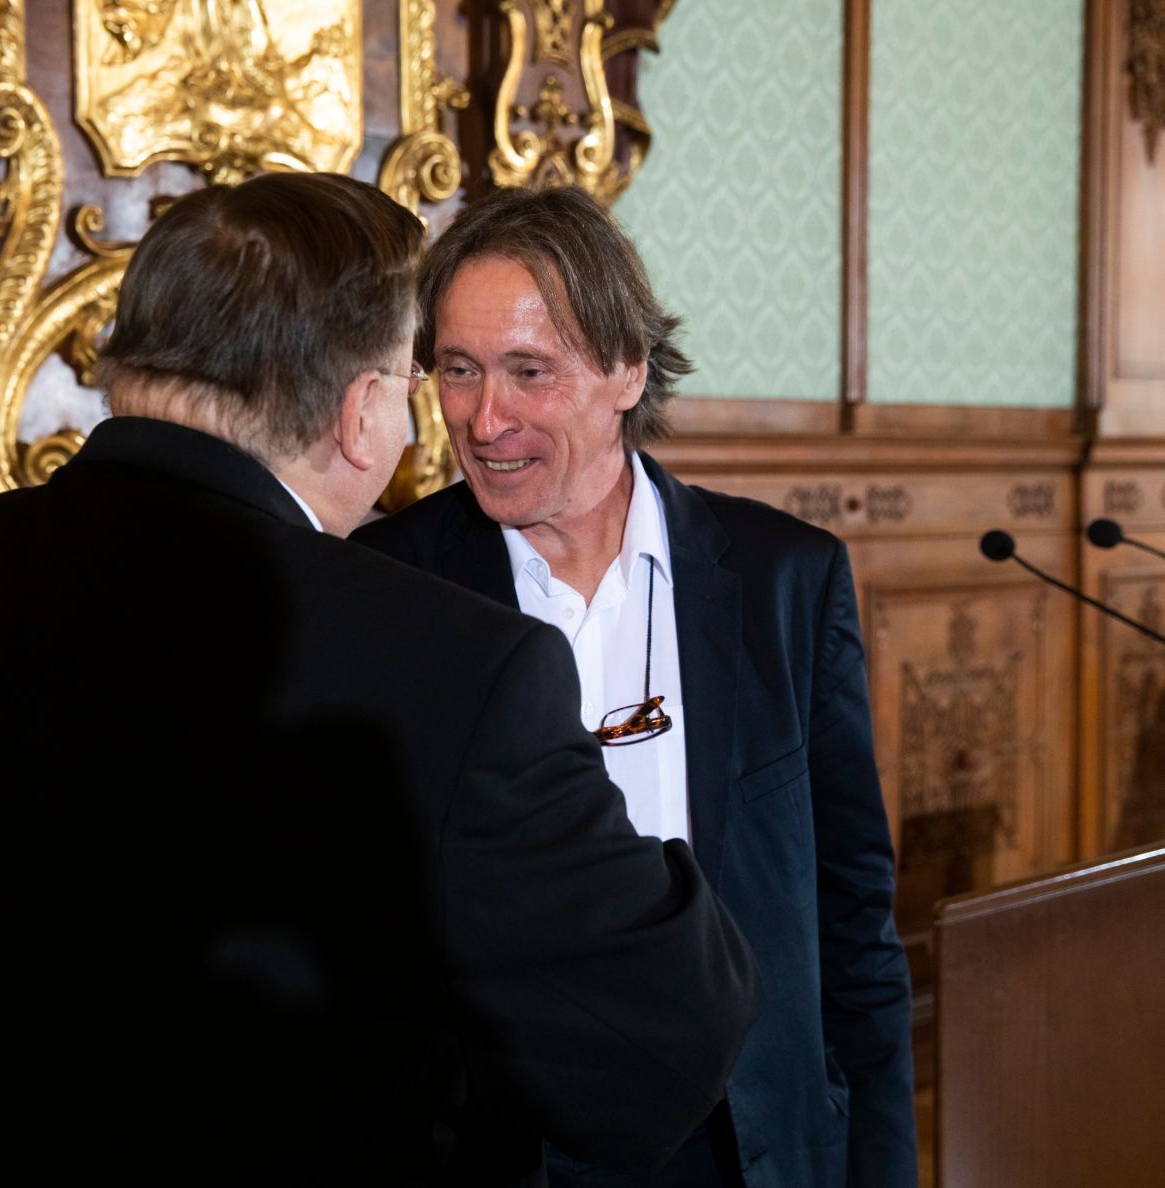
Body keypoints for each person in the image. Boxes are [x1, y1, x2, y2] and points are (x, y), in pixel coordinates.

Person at [0, 172, 759, 1187]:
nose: (429, 430)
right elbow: (660, 1038)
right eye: (424, 384)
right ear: (360, 413)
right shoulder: (449, 662)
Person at [354, 185, 915, 1188]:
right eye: (457, 371)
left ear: (624, 368)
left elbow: (850, 922)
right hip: (505, 1150)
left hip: (749, 1145)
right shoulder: (390, 585)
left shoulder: (785, 579)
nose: (486, 419)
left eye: (529, 372)